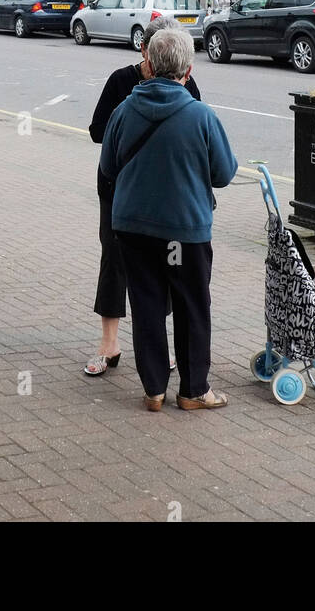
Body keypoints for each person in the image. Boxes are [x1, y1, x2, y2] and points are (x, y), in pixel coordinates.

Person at [100, 28, 237, 411]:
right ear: (188, 70)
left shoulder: (123, 111)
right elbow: (224, 174)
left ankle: (154, 390)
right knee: (192, 306)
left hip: (133, 228)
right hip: (185, 231)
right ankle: (193, 390)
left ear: (149, 65)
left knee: (146, 306)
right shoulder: (200, 115)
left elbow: (108, 167)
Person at [84, 18, 201, 378]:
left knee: (167, 264)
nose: (161, 64)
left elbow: (196, 131)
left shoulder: (185, 80)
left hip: (167, 192)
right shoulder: (122, 80)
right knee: (115, 260)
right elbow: (97, 131)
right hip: (120, 190)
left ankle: (158, 345)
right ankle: (110, 344)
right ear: (144, 53)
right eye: (155, 55)